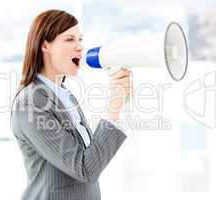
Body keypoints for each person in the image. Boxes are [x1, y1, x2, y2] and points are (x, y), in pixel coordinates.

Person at [11, 9, 132, 200]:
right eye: (69, 39)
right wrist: (113, 108)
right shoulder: (30, 103)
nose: (79, 47)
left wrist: (119, 101)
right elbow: (85, 169)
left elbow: (93, 159)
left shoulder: (66, 96)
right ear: (45, 45)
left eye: (80, 40)